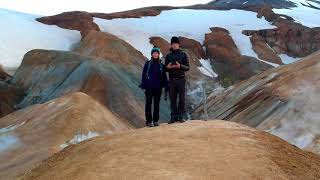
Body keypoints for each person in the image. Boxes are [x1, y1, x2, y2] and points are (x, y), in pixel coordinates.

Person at [140, 47, 168, 127]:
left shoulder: (161, 65)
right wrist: (144, 85)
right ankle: (149, 121)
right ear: (152, 54)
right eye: (154, 53)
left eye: (157, 53)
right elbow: (144, 75)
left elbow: (164, 76)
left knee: (156, 104)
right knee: (148, 104)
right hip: (149, 88)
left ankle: (155, 121)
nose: (155, 54)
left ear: (159, 54)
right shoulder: (148, 64)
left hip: (158, 88)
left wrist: (166, 85)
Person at [165, 36, 190, 124]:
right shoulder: (168, 56)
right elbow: (165, 69)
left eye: (176, 44)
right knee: (172, 99)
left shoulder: (183, 54)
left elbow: (187, 67)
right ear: (171, 45)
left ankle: (181, 116)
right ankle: (173, 116)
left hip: (181, 79)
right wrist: (168, 67)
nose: (174, 45)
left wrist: (180, 66)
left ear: (179, 45)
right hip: (172, 80)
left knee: (182, 99)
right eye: (173, 44)